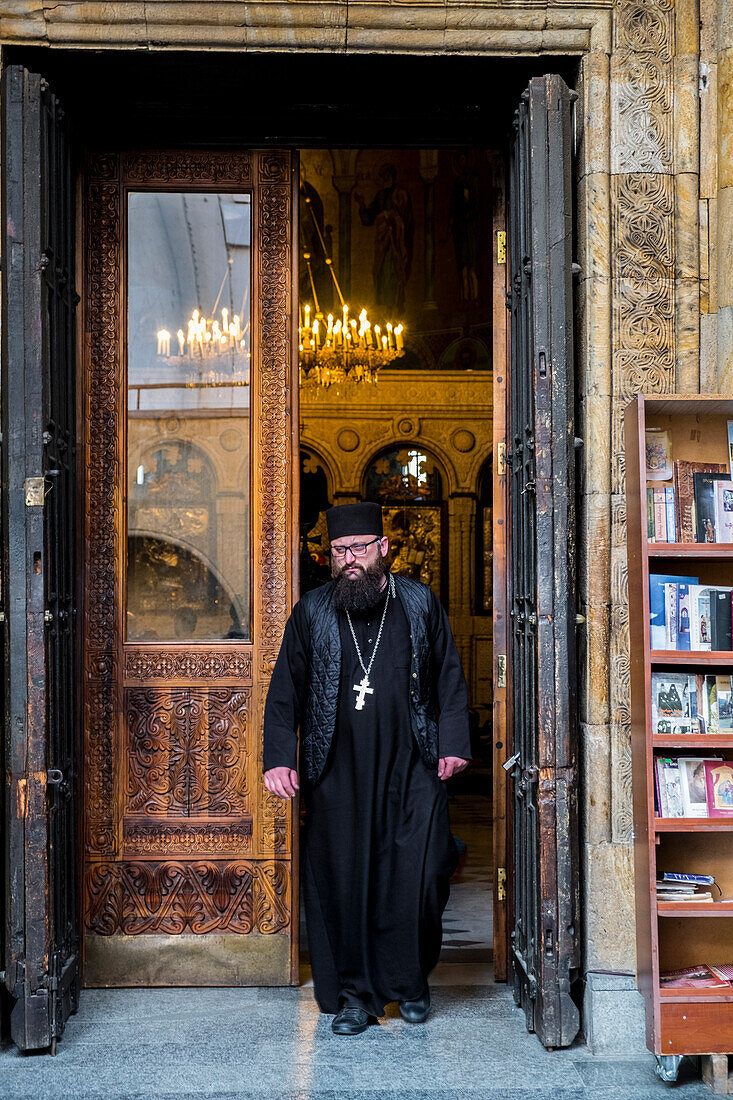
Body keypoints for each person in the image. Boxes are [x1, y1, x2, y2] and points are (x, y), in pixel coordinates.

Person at [263, 501, 470, 1036]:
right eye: (338, 552)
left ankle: (411, 982)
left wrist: (453, 743)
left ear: (383, 548)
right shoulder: (312, 611)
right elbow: (285, 690)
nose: (348, 560)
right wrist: (280, 759)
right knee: (345, 883)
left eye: (357, 549)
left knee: (420, 878)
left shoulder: (419, 604)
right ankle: (356, 995)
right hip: (338, 773)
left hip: (414, 767)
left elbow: (448, 675)